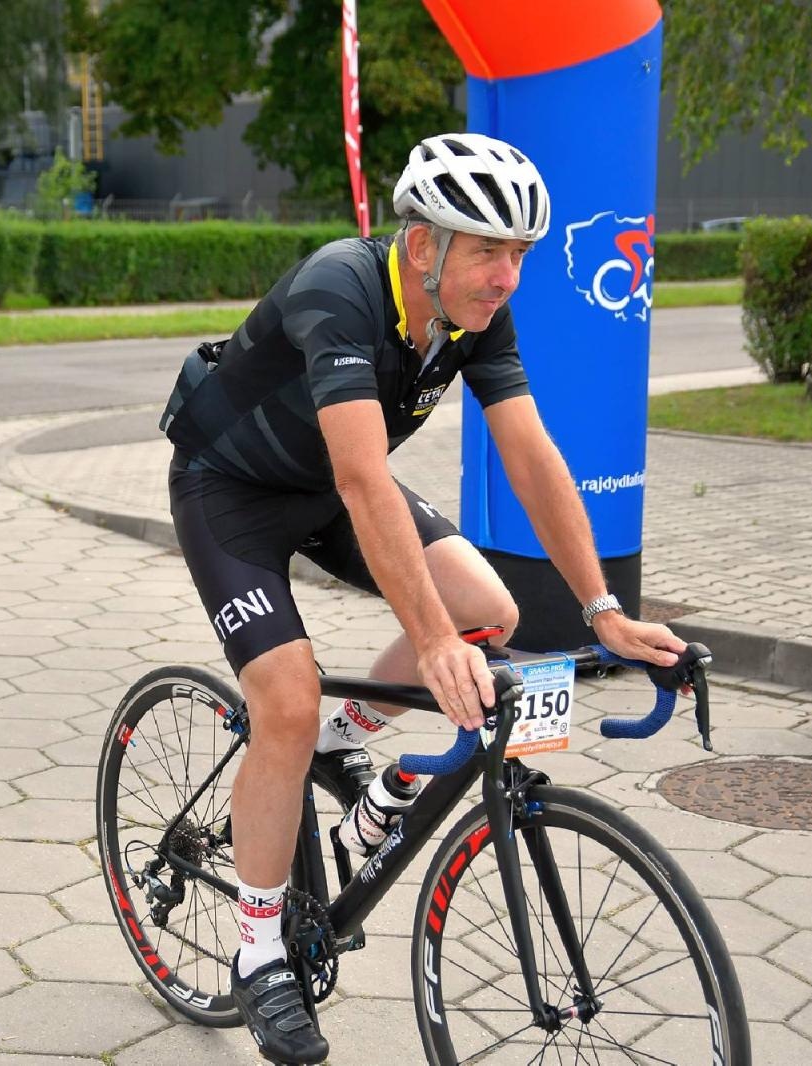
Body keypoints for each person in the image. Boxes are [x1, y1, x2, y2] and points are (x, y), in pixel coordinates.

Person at [159, 132, 685, 1064]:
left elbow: (531, 454)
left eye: (521, 252)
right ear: (421, 247)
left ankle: (338, 741)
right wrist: (432, 641)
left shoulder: (477, 313)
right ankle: (258, 950)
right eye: (489, 250)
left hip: (324, 486)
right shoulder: (341, 289)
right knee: (284, 697)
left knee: (494, 610)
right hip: (229, 490)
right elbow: (367, 483)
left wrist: (604, 610)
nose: (508, 276)